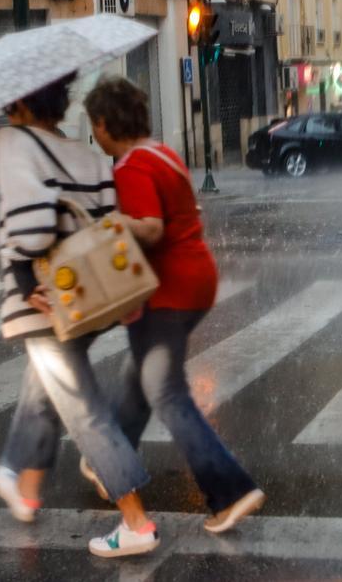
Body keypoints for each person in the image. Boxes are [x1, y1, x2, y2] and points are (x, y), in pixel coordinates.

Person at [82, 76, 266, 534]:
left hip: (168, 291)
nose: (94, 135)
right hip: (197, 278)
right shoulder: (163, 153)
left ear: (105, 123)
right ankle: (111, 459)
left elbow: (150, 228)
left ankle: (231, 490)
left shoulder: (130, 167)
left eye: (93, 126)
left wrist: (112, 223)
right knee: (139, 377)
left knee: (164, 391)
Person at [0, 72, 161, 559]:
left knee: (84, 412)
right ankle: (22, 484)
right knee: (44, 387)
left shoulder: (13, 142)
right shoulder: (85, 152)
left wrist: (26, 285)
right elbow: (108, 217)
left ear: (21, 98)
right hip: (93, 301)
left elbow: (31, 227)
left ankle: (136, 522)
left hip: (50, 303)